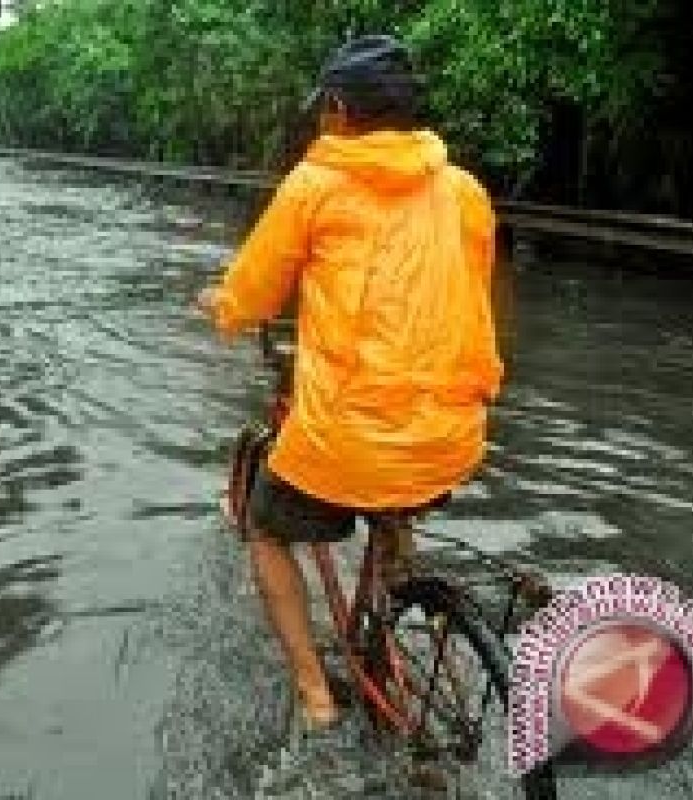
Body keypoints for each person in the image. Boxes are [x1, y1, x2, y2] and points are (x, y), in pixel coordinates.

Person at [196, 35, 502, 734]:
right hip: (453, 431)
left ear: (337, 108)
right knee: (398, 476)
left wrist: (222, 306)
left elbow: (252, 293)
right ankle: (397, 571)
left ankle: (315, 693)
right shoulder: (463, 190)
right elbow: (464, 302)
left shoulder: (315, 185)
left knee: (265, 531)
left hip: (346, 438)